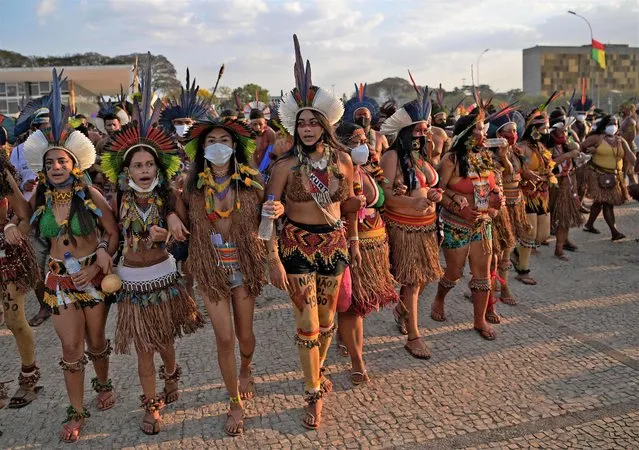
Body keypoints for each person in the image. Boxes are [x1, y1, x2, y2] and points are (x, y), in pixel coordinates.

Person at [266, 35, 360, 430]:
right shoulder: (284, 167)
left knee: (327, 322)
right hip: (296, 248)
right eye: (300, 122)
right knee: (306, 323)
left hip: (335, 246)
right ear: (294, 126)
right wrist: (272, 258)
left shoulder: (342, 161)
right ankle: (312, 392)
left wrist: (354, 242)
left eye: (312, 122)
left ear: (324, 125)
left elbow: (351, 205)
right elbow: (268, 214)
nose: (306, 128)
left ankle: (318, 373)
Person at [103, 75, 205, 435]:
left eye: (149, 165)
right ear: (126, 171)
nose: (144, 171)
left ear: (158, 168)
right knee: (143, 349)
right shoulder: (117, 199)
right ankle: (152, 406)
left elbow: (185, 233)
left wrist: (172, 228)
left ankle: (172, 373)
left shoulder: (168, 197)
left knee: (163, 342)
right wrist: (104, 252)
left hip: (162, 276)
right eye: (137, 166)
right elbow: (111, 235)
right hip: (131, 281)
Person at [23, 70, 119, 443]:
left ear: (74, 164)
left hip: (91, 278)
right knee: (70, 347)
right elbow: (18, 216)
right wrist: (14, 226)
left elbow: (113, 233)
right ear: (43, 169)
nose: (56, 168)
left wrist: (99, 260)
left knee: (96, 342)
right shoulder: (41, 199)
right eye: (50, 164)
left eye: (62, 162)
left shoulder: (91, 195)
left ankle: (104, 380)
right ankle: (77, 411)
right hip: (59, 280)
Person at [182, 117, 283, 436]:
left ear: (235, 146)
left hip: (245, 266)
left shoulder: (252, 182)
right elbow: (174, 211)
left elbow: (267, 223)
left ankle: (246, 368)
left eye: (224, 141)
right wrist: (171, 217)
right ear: (202, 149)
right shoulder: (191, 186)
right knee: (224, 338)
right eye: (211, 142)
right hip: (211, 270)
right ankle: (235, 402)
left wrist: (273, 256)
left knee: (245, 336)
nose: (218, 147)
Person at [379, 82, 443, 357]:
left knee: (423, 277)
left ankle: (402, 311)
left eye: (425, 128)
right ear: (405, 132)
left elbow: (426, 187)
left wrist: (434, 194)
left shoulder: (423, 159)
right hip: (402, 227)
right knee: (413, 281)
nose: (423, 133)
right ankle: (414, 336)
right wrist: (410, 201)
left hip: (426, 227)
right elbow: (384, 196)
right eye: (418, 129)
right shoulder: (392, 156)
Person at [334, 122, 398, 384]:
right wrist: (353, 241)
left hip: (376, 243)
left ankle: (348, 343)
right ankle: (357, 361)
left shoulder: (368, 169)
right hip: (352, 243)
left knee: (359, 307)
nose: (363, 146)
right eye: (355, 141)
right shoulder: (338, 173)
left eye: (363, 140)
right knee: (352, 306)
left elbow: (380, 200)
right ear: (340, 146)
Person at [434, 112, 503, 340]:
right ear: (466, 133)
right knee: (454, 272)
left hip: (483, 223)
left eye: (484, 129)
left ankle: (479, 320)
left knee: (482, 274)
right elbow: (437, 192)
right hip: (456, 225)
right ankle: (440, 298)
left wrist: (496, 197)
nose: (483, 133)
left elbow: (493, 185)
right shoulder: (450, 160)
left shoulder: (486, 157)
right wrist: (457, 205)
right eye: (478, 129)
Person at [0, 142, 42, 410]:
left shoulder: (0, 172)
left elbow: (26, 214)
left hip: (4, 257)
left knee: (14, 321)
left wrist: (12, 229)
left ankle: (28, 378)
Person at [10, 106, 52, 327]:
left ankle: (69, 303)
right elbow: (10, 183)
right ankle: (45, 305)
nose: (45, 132)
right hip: (30, 215)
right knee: (35, 264)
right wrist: (23, 184)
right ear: (33, 128)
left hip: (57, 213)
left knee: (64, 262)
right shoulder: (18, 152)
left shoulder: (58, 148)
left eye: (48, 128)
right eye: (41, 128)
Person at [489, 113, 531, 305]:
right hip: (502, 205)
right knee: (497, 249)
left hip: (517, 202)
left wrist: (528, 180)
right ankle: (495, 287)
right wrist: (504, 157)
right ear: (498, 134)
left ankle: (503, 285)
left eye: (514, 130)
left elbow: (518, 173)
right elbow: (505, 172)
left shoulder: (516, 151)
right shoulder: (492, 154)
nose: (513, 134)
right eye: (508, 131)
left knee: (508, 247)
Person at [512, 106, 555, 285]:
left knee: (542, 235)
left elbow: (549, 166)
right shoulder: (521, 148)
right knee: (530, 234)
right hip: (528, 193)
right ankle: (523, 270)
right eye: (543, 128)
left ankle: (515, 253)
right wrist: (525, 174)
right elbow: (514, 170)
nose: (546, 132)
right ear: (534, 129)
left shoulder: (541, 147)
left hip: (543, 194)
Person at [581, 115, 632, 241]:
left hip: (615, 177)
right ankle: (614, 232)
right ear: (604, 125)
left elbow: (631, 156)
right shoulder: (596, 138)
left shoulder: (620, 140)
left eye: (615, 123)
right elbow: (581, 149)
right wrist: (590, 151)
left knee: (599, 202)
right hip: (597, 174)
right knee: (607, 203)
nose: (613, 126)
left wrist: (636, 164)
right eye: (610, 123)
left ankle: (589, 224)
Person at [547, 119, 583, 260]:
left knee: (565, 215)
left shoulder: (567, 144)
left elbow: (577, 150)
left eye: (565, 130)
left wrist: (572, 147)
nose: (564, 133)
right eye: (561, 130)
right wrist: (566, 156)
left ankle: (559, 247)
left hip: (568, 183)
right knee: (548, 217)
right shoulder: (547, 147)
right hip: (554, 184)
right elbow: (549, 164)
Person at [343, 83, 389, 161]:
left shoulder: (380, 137)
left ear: (370, 117)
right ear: (353, 117)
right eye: (359, 114)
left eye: (365, 114)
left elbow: (389, 159)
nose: (362, 117)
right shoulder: (348, 138)